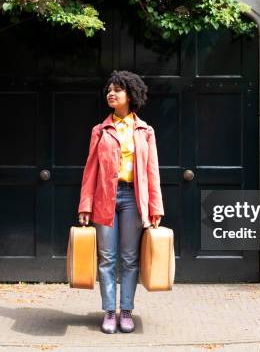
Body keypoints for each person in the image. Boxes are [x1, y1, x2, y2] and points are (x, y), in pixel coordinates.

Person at [77, 70, 165, 334]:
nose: (111, 94)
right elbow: (90, 170)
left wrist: (155, 207)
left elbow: (152, 171)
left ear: (131, 94)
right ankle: (108, 312)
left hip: (133, 199)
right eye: (109, 90)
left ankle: (126, 310)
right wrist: (85, 205)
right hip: (105, 197)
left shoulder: (145, 131)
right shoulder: (100, 131)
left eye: (117, 89)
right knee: (106, 258)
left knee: (129, 258)